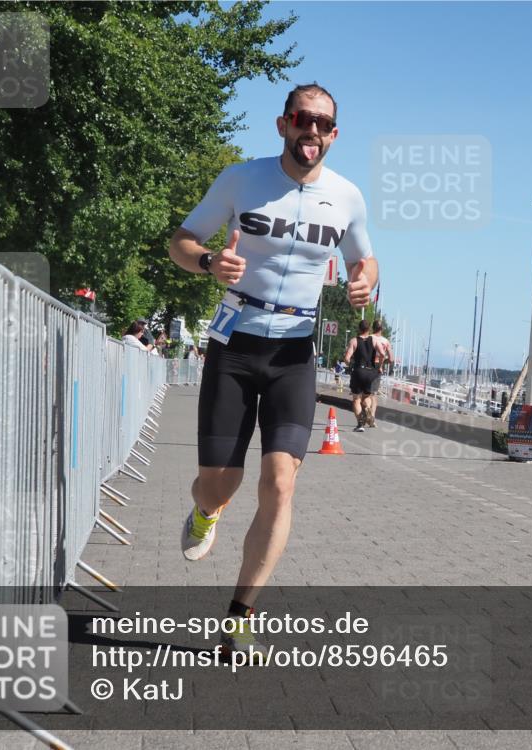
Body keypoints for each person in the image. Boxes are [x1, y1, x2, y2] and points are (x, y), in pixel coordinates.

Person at [167, 82, 377, 660]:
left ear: (334, 136)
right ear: (283, 124)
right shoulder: (241, 178)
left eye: (325, 125)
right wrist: (209, 260)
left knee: (281, 484)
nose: (313, 131)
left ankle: (240, 614)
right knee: (222, 483)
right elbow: (180, 242)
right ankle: (207, 508)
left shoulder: (347, 197)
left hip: (294, 355)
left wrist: (366, 280)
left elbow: (366, 257)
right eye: (303, 120)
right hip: (235, 345)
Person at [343, 319, 378, 431]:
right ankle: (367, 408)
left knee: (356, 399)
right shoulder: (374, 340)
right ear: (369, 329)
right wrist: (379, 364)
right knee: (367, 396)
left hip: (358, 371)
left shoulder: (354, 341)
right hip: (370, 372)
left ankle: (360, 424)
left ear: (359, 329)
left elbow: (347, 358)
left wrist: (352, 365)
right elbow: (382, 353)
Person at [367, 319, 394, 427]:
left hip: (367, 366)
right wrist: (384, 362)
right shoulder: (385, 341)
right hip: (378, 367)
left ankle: (366, 409)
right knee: (373, 394)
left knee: (365, 393)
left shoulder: (369, 338)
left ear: (372, 328)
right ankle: (372, 417)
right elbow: (391, 359)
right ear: (382, 329)